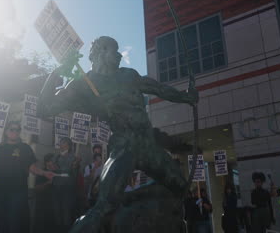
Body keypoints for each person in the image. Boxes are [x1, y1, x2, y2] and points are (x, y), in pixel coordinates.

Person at [38, 36, 198, 233]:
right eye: (114, 50)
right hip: (124, 146)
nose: (119, 55)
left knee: (181, 187)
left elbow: (159, 88)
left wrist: (186, 97)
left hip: (147, 145)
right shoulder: (82, 85)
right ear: (100, 52)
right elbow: (45, 109)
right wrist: (58, 72)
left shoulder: (128, 75)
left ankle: (131, 201)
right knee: (104, 207)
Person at [0, 121, 54, 233]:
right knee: (1, 224)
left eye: (17, 130)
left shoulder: (25, 148)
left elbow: (32, 168)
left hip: (17, 192)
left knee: (15, 224)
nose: (15, 132)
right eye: (12, 129)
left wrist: (44, 173)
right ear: (6, 131)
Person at [52, 137, 80, 233]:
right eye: (60, 143)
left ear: (67, 145)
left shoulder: (74, 157)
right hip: (56, 187)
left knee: (66, 212)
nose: (60, 145)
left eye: (62, 143)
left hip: (67, 188)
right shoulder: (56, 156)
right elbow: (52, 168)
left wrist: (58, 169)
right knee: (57, 211)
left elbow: (70, 170)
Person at [34, 153, 57, 233]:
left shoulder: (57, 173)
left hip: (54, 208)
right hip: (42, 207)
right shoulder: (42, 173)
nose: (54, 163)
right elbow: (36, 188)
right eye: (52, 161)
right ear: (47, 162)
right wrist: (47, 183)